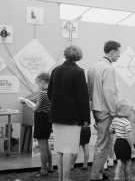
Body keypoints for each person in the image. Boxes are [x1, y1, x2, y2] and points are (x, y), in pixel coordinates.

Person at [48, 45, 90, 181]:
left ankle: (61, 178)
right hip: (72, 117)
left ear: (65, 55)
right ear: (78, 56)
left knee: (59, 150)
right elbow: (83, 98)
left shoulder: (55, 70)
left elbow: (49, 93)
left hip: (56, 115)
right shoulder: (78, 72)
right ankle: (65, 179)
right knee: (68, 149)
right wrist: (86, 118)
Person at [88, 41, 121, 181]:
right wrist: (115, 112)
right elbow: (109, 93)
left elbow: (89, 89)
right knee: (102, 144)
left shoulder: (93, 66)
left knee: (104, 142)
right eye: (118, 53)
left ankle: (100, 172)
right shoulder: (108, 68)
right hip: (105, 109)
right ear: (112, 52)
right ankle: (95, 176)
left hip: (96, 107)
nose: (119, 56)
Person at [21, 73, 53, 177]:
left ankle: (43, 170)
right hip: (48, 119)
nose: (37, 85)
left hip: (41, 120)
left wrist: (26, 102)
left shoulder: (42, 93)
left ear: (43, 83)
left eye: (38, 83)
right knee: (46, 145)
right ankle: (50, 167)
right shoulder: (51, 92)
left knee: (42, 146)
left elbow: (35, 109)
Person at [109, 100, 135, 181]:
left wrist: (115, 131)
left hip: (117, 143)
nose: (130, 112)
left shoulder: (114, 120)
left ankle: (116, 177)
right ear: (124, 111)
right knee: (128, 162)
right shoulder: (126, 122)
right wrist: (132, 147)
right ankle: (127, 178)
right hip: (125, 143)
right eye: (129, 110)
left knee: (119, 162)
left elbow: (110, 130)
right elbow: (128, 136)